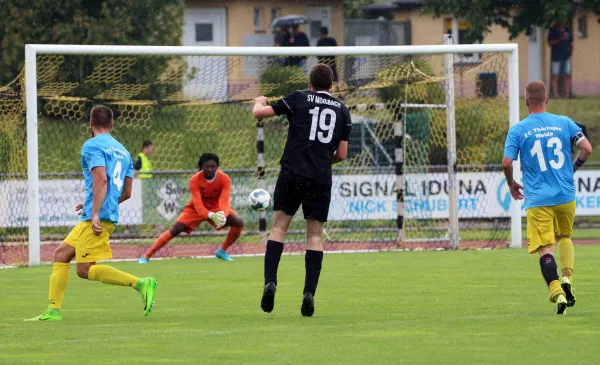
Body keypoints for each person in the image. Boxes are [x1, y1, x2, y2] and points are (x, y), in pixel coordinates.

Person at [25, 106, 157, 321]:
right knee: (62, 254)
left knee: (84, 270)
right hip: (103, 213)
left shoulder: (91, 146)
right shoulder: (124, 152)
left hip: (97, 217)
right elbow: (127, 192)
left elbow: (101, 179)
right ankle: (52, 311)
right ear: (112, 124)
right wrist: (92, 205)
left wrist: (95, 211)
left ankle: (141, 283)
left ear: (90, 123)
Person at [252, 64, 351, 317]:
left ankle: (270, 281)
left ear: (309, 83)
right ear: (332, 85)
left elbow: (259, 114)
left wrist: (259, 100)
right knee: (315, 237)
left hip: (292, 172)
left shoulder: (299, 97)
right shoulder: (343, 110)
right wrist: (319, 161)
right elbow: (341, 154)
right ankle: (308, 293)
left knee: (278, 228)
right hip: (320, 177)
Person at [502, 81, 592, 315]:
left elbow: (507, 162)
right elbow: (586, 149)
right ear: (547, 99)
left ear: (526, 102)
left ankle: (556, 291)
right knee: (565, 237)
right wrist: (572, 169)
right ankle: (568, 278)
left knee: (545, 249)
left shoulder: (519, 129)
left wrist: (511, 183)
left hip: (539, 199)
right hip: (565, 194)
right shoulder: (564, 122)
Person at [139, 153, 244, 263]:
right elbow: (198, 204)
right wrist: (211, 215)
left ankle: (222, 251)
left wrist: (223, 214)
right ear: (201, 167)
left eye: (213, 166)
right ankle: (146, 256)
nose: (210, 169)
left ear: (217, 167)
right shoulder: (194, 180)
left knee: (238, 221)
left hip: (216, 208)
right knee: (176, 229)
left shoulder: (225, 179)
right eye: (206, 167)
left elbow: (224, 200)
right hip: (195, 209)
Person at [547, 21, 573, 98]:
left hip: (566, 56)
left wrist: (570, 52)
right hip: (556, 57)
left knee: (567, 75)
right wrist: (560, 39)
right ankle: (555, 95)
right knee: (555, 75)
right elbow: (549, 43)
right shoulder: (552, 31)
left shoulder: (567, 30)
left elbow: (571, 42)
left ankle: (567, 95)